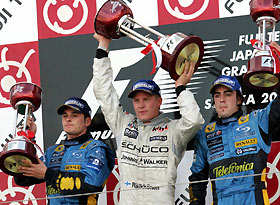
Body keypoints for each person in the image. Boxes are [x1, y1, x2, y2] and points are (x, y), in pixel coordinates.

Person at [92, 33, 204, 204]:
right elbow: (103, 92)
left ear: (159, 101)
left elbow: (194, 120)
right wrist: (102, 47)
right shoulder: (123, 124)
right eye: (136, 100)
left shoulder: (173, 130)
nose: (140, 105)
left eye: (146, 99)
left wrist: (181, 88)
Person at [188, 72, 280, 204]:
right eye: (217, 95)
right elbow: (197, 179)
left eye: (228, 94)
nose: (221, 99)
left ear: (239, 99)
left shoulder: (256, 120)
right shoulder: (205, 134)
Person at [14, 97, 115, 205]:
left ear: (87, 121)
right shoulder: (52, 151)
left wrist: (47, 174)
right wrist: (27, 141)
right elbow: (22, 178)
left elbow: (90, 184)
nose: (68, 119)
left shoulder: (95, 148)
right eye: (65, 116)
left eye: (74, 115)